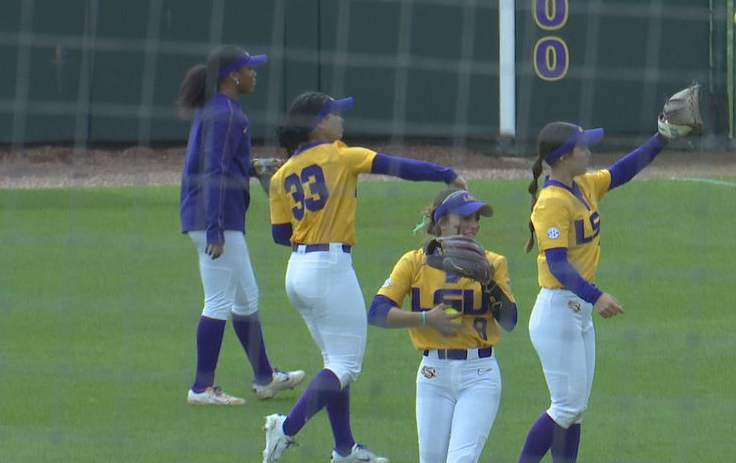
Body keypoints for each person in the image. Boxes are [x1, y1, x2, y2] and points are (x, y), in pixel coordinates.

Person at [261, 91, 468, 463]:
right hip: (329, 269)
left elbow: (280, 236)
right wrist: (446, 174)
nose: (340, 118)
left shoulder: (280, 175)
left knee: (334, 361)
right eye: (334, 113)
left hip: (297, 272)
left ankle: (345, 449)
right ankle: (285, 428)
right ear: (318, 124)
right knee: (345, 366)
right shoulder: (341, 155)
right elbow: (396, 166)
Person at [518, 122, 679, 462]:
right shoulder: (551, 203)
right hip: (557, 313)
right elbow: (559, 265)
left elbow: (623, 170)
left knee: (575, 410)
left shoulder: (583, 185)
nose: (589, 152)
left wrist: (662, 137)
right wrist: (598, 295)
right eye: (583, 148)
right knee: (566, 406)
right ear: (563, 157)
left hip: (577, 313)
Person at [178, 45, 304, 406]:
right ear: (233, 75)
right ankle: (202, 387)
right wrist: (216, 229)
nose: (254, 74)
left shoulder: (223, 110)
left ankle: (265, 377)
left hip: (215, 214)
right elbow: (214, 170)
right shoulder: (225, 114)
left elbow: (221, 163)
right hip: (214, 217)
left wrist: (251, 167)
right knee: (218, 300)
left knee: (246, 296)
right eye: (250, 69)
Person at [367, 188, 518, 463]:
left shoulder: (493, 263)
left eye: (476, 218)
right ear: (441, 222)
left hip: (480, 374)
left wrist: (488, 283)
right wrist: (425, 319)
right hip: (433, 376)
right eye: (465, 217)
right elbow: (377, 312)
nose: (473, 225)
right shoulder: (414, 261)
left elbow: (509, 321)